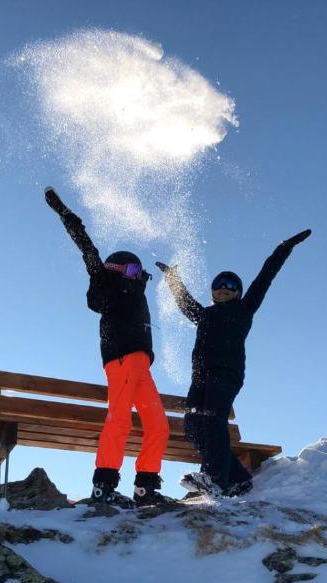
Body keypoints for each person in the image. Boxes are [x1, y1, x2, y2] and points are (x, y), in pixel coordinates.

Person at [156, 228, 312, 496]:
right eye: (218, 284)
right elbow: (185, 303)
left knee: (213, 420)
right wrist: (172, 278)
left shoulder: (244, 309)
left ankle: (214, 479)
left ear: (238, 291)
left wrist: (284, 247)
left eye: (230, 285)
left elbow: (265, 276)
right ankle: (238, 478)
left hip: (226, 373)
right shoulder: (204, 315)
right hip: (200, 376)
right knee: (193, 426)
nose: (223, 288)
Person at [44, 187, 170, 506]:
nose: (137, 275)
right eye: (132, 269)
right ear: (116, 270)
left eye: (138, 271)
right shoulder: (108, 284)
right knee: (120, 420)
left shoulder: (135, 289)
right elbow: (86, 246)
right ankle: (104, 486)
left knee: (159, 425)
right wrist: (64, 213)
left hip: (141, 364)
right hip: (122, 359)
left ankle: (145, 488)